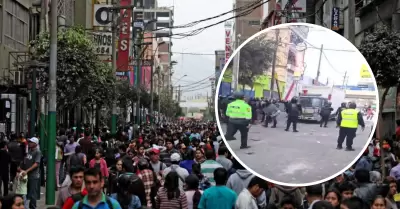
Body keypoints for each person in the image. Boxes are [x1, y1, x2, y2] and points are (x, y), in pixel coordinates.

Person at [19, 137, 42, 209]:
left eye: (31, 142)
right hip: (27, 175)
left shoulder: (37, 152)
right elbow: (26, 160)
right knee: (24, 192)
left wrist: (27, 171)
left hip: (33, 175)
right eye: (29, 142)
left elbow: (36, 164)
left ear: (35, 143)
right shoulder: (29, 150)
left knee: (32, 194)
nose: (29, 143)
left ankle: (33, 207)